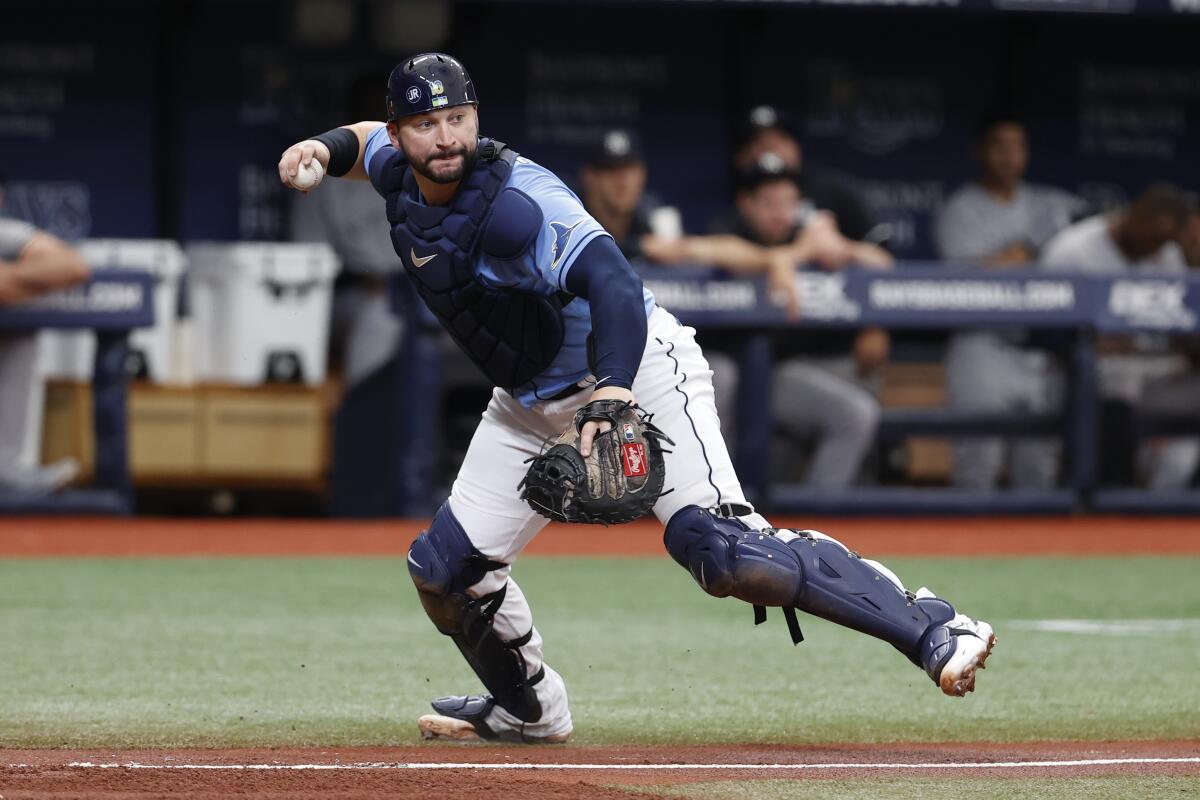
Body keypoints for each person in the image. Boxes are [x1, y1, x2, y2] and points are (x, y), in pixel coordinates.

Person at [277, 53, 995, 745]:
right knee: (445, 574)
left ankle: (931, 625)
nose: (446, 137)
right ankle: (529, 711)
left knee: (727, 556)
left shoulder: (516, 204)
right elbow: (363, 144)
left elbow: (613, 282)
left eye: (459, 118)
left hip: (637, 370)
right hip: (530, 401)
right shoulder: (397, 168)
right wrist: (317, 146)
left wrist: (616, 392)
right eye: (427, 124)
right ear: (402, 133)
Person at [643, 154, 891, 489]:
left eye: (789, 202)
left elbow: (883, 265)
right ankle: (711, 500)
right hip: (721, 367)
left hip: (777, 375)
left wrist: (844, 247)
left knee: (856, 414)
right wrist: (782, 258)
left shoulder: (804, 235)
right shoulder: (731, 225)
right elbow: (701, 249)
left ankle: (820, 516)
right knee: (722, 381)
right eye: (770, 202)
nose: (780, 212)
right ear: (747, 203)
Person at [933, 118, 1086, 490]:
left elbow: (1097, 229)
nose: (1009, 156)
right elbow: (965, 281)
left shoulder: (1049, 203)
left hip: (1038, 349)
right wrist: (1029, 252)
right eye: (999, 146)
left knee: (1039, 470)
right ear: (980, 152)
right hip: (981, 344)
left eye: (1017, 146)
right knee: (977, 466)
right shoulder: (960, 209)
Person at [1040, 182, 1195, 489]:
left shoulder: (1168, 255)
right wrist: (1087, 339)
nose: (1155, 247)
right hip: (1081, 374)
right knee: (1112, 377)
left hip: (1152, 371)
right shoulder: (1071, 249)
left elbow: (1183, 323)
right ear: (1133, 215)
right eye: (1151, 235)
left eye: (1163, 240)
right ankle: (1110, 494)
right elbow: (1042, 326)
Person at [290, 75, 404, 387]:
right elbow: (307, 261)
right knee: (380, 317)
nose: (377, 122)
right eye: (366, 113)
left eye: (385, 113)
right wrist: (362, 278)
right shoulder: (322, 176)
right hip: (354, 295)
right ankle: (362, 413)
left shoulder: (426, 168)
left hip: (419, 293)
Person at [0, 178, 89, 495]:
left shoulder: (5, 235)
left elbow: (72, 265)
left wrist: (9, 279)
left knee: (19, 326)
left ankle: (4, 468)